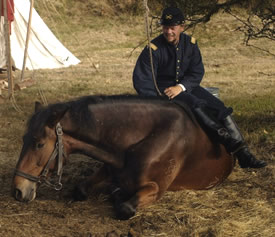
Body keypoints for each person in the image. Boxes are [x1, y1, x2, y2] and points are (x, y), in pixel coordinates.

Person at [132, 6, 266, 168]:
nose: (168, 32)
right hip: (164, 91)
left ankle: (244, 155)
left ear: (181, 27)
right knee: (194, 104)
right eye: (165, 27)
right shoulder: (153, 49)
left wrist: (181, 87)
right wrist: (156, 100)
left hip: (186, 86)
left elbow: (196, 72)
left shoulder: (190, 44)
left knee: (219, 107)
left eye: (172, 28)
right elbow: (141, 80)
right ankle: (226, 140)